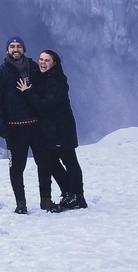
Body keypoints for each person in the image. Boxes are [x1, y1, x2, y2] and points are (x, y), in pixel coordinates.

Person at [0, 36, 59, 214]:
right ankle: (20, 204)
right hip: (14, 129)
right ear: (7, 50)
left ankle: (46, 200)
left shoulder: (35, 69)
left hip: (36, 126)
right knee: (16, 167)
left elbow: (47, 91)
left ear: (24, 49)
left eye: (19, 46)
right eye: (12, 46)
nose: (15, 49)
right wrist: (2, 128)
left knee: (44, 163)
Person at [17, 48, 87, 210]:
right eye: (41, 59)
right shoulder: (43, 78)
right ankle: (69, 192)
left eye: (46, 60)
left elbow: (46, 105)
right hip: (50, 130)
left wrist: (27, 92)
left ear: (54, 63)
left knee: (69, 161)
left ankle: (78, 196)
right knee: (52, 162)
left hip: (61, 129)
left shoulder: (57, 81)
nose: (42, 63)